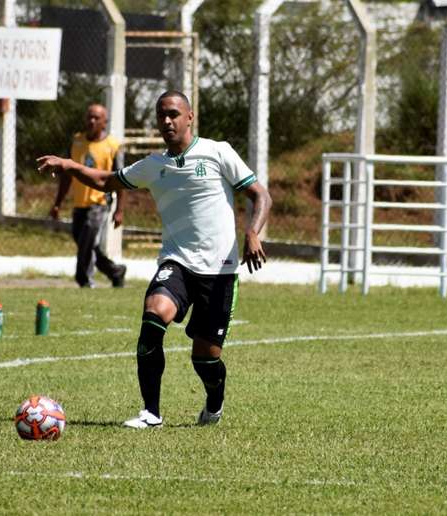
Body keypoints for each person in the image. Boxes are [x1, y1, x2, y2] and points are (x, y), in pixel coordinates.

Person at [38, 90, 272, 428]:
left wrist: (252, 232)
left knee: (205, 360)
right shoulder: (153, 165)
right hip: (177, 262)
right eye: (162, 115)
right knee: (153, 316)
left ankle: (214, 402)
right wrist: (71, 165)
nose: (167, 121)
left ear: (190, 117)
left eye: (174, 114)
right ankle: (151, 412)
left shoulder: (218, 152)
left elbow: (260, 194)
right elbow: (107, 181)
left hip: (220, 271)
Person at [50, 104, 127, 288]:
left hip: (100, 203)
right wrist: (57, 203)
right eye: (89, 117)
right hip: (79, 203)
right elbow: (67, 175)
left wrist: (120, 210)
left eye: (96, 118)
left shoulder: (113, 146)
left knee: (87, 242)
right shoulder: (76, 142)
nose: (91, 121)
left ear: (104, 122)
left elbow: (122, 179)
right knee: (86, 243)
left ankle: (84, 281)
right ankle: (116, 271)